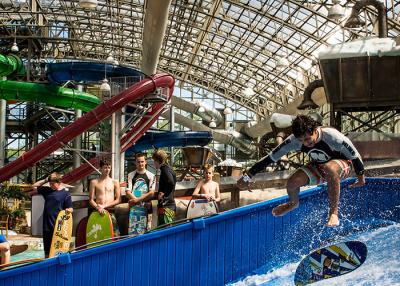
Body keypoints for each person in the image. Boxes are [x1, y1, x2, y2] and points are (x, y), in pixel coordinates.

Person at [237, 114, 365, 227]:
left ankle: (333, 213)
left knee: (330, 168)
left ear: (315, 131)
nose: (305, 143)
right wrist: (247, 176)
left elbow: (355, 155)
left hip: (343, 164)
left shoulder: (332, 136)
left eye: (308, 139)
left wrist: (360, 178)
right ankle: (293, 203)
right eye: (301, 140)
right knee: (292, 182)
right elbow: (271, 157)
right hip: (319, 165)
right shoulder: (294, 141)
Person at [30, 172, 73, 258]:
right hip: (47, 225)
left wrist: (69, 210)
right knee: (47, 251)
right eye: (50, 183)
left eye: (53, 184)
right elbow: (33, 186)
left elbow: (71, 208)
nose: (51, 185)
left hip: (59, 227)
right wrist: (45, 180)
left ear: (59, 183)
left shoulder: (65, 194)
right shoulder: (47, 190)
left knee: (58, 251)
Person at [89, 160, 121, 235]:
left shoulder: (115, 182)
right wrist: (98, 208)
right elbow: (90, 200)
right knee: (99, 235)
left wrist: (104, 206)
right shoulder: (94, 182)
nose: (107, 170)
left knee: (115, 235)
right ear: (100, 168)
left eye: (109, 167)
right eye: (105, 167)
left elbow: (118, 199)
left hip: (111, 211)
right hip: (98, 212)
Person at [126, 153, 156, 229]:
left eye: (142, 161)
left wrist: (137, 200)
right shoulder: (130, 175)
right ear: (135, 163)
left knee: (147, 230)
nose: (140, 164)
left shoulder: (151, 176)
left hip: (147, 208)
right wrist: (137, 201)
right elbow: (128, 191)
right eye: (138, 162)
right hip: (134, 209)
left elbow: (151, 193)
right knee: (133, 231)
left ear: (145, 162)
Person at [152, 150, 177, 226]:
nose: (153, 163)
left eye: (154, 160)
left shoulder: (164, 169)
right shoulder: (169, 168)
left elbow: (170, 182)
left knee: (164, 229)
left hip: (166, 206)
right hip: (169, 205)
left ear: (158, 160)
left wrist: (163, 193)